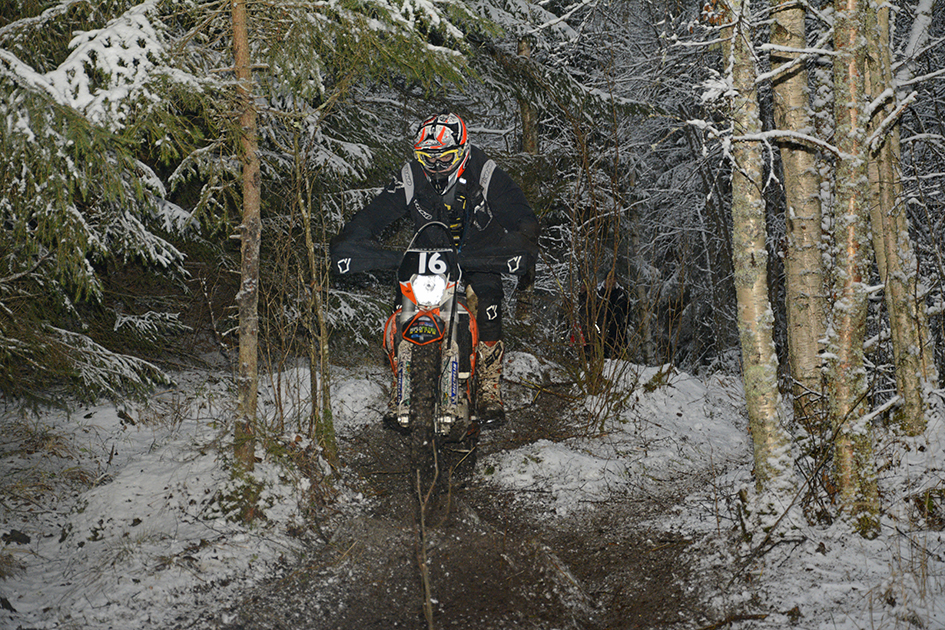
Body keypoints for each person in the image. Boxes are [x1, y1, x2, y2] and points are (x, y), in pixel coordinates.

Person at [330, 111, 540, 427]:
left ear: (463, 151)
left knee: (487, 298)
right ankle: (402, 384)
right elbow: (375, 214)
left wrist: (521, 240)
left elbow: (520, 213)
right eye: (428, 158)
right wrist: (352, 240)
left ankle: (488, 385)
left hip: (480, 254)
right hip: (430, 254)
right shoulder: (412, 175)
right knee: (403, 298)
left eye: (445, 158)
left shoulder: (485, 172)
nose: (436, 165)